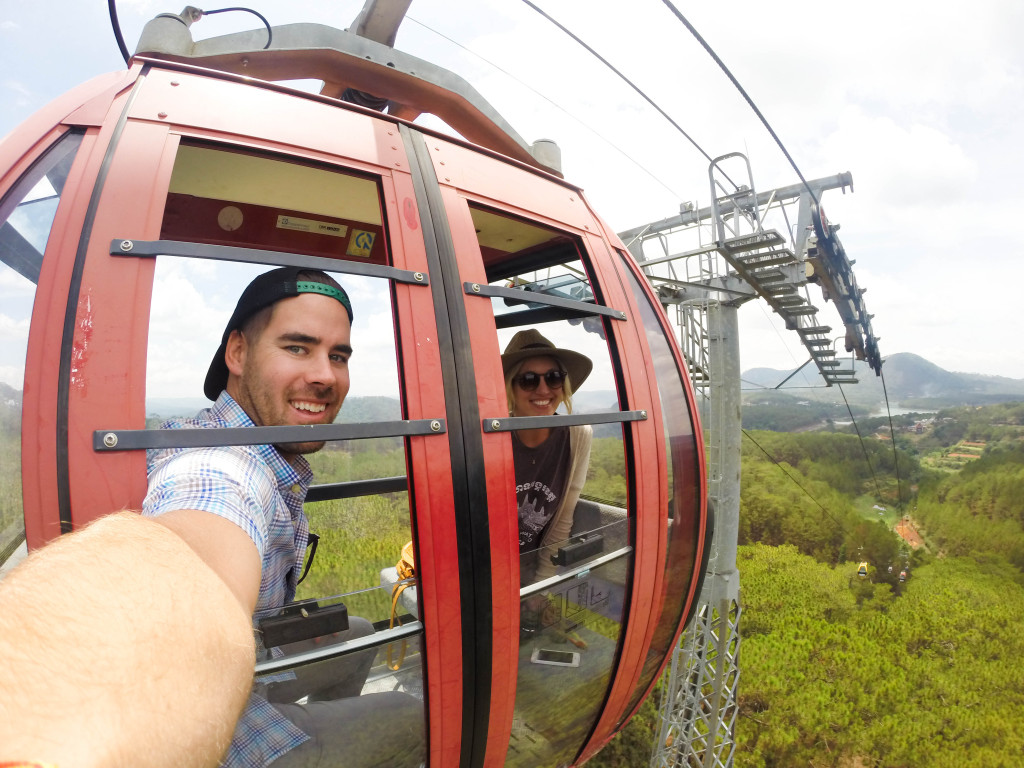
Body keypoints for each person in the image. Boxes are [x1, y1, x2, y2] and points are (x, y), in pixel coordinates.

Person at [0, 267, 421, 767]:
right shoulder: (219, 468)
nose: (325, 375)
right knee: (408, 714)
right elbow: (195, 555)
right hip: (229, 735)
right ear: (238, 353)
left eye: (338, 355)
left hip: (255, 666)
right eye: (297, 347)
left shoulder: (227, 440)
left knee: (357, 632)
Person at [501, 329, 593, 586]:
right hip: (485, 570)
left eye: (553, 378)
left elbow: (563, 518)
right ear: (510, 385)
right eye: (529, 379)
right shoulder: (491, 436)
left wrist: (542, 586)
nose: (544, 390)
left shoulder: (578, 435)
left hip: (529, 571)